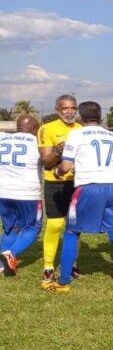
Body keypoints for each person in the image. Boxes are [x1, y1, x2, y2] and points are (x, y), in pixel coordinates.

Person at [42, 102, 113, 293]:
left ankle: (63, 281)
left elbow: (66, 165)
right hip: (111, 187)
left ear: (81, 116)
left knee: (71, 232)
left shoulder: (76, 134)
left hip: (87, 188)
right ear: (100, 116)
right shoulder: (112, 135)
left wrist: (59, 173)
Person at [37, 94, 82, 282]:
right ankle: (48, 266)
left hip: (77, 182)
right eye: (65, 108)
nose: (70, 112)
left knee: (74, 226)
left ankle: (71, 264)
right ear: (57, 109)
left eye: (73, 108)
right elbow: (45, 161)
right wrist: (58, 150)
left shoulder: (81, 129)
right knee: (55, 224)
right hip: (54, 182)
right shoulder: (47, 128)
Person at [0, 115, 42, 276]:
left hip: (3, 190)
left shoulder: (3, 139)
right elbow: (48, 160)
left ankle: (2, 265)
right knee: (33, 227)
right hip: (27, 191)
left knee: (10, 226)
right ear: (33, 129)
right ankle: (10, 254)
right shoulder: (36, 142)